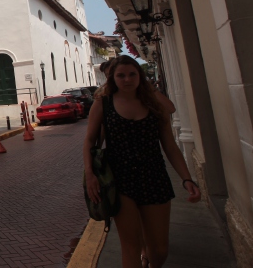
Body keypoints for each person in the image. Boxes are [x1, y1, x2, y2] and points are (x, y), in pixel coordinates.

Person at [84, 55, 200, 268]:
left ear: (140, 76)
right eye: (120, 75)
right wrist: (90, 174)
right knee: (130, 246)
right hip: (120, 179)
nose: (126, 79)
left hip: (154, 177)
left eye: (132, 74)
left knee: (160, 248)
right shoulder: (104, 103)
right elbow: (90, 140)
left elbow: (170, 146)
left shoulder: (154, 104)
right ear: (113, 79)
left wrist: (187, 178)